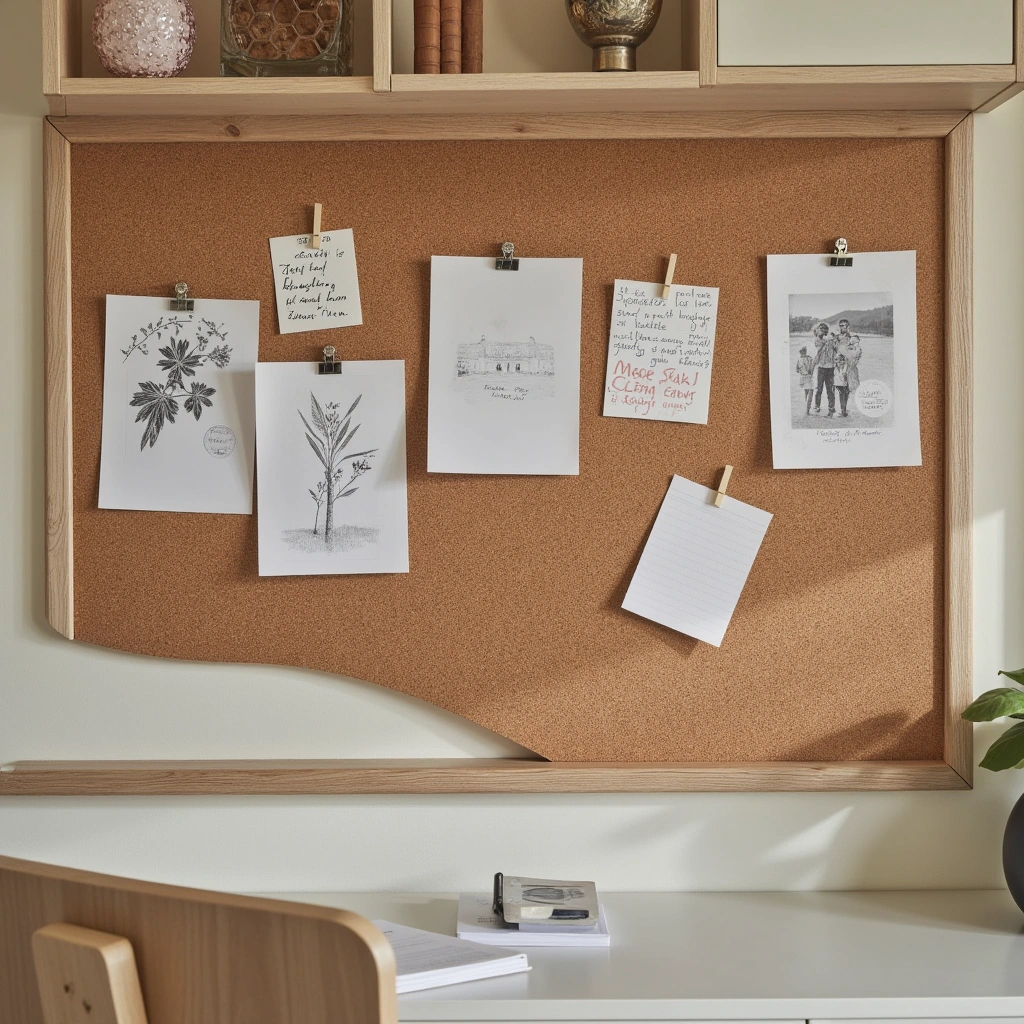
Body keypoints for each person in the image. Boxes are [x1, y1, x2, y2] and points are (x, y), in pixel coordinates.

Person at [811, 321, 838, 417]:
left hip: (830, 368)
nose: (823, 330)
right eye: (820, 329)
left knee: (830, 389)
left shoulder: (830, 340)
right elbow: (819, 347)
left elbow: (836, 350)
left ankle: (831, 407)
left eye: (824, 329)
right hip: (821, 368)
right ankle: (817, 405)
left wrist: (833, 340)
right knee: (819, 388)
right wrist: (829, 339)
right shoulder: (817, 340)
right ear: (817, 331)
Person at [795, 345, 815, 415]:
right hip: (808, 377)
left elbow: (797, 370)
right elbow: (812, 368)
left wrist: (802, 371)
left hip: (803, 378)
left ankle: (807, 409)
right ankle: (807, 410)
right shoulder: (809, 358)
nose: (803, 353)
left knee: (807, 393)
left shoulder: (799, 360)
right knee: (810, 392)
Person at [834, 351, 850, 417]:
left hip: (839, 383)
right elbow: (844, 374)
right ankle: (843, 410)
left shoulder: (837, 365)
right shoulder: (843, 365)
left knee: (843, 395)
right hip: (841, 383)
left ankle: (843, 409)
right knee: (844, 395)